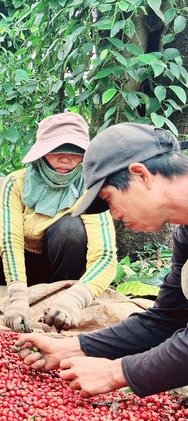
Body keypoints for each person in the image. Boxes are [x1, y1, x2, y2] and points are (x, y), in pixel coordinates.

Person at [16, 122, 188, 398]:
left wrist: (116, 372)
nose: (115, 215)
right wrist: (73, 347)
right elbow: (166, 319)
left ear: (141, 176)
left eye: (109, 199)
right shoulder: (185, 234)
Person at [0, 112, 118, 332]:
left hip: (64, 265)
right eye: (57, 151)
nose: (66, 159)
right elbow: (11, 241)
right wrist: (18, 297)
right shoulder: (16, 183)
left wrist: (76, 298)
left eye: (75, 153)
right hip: (26, 265)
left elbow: (104, 254)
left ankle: (59, 300)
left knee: (70, 228)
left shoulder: (90, 187)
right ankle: (21, 292)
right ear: (42, 152)